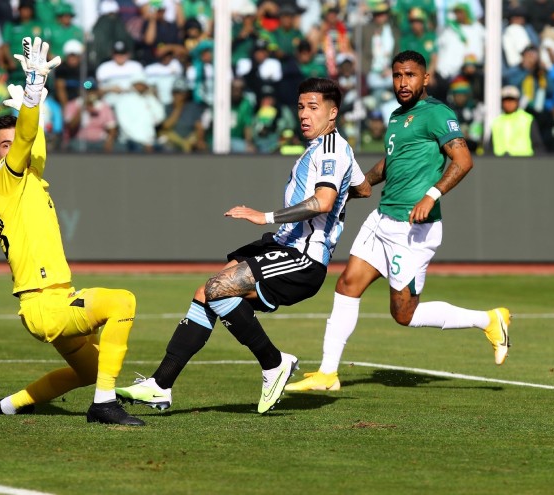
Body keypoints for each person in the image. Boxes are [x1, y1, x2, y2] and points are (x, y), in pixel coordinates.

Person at [115, 77, 371, 414]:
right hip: (282, 245)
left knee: (219, 287)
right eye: (300, 107)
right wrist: (345, 194)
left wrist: (265, 216)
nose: (304, 115)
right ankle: (160, 385)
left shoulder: (331, 150)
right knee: (206, 292)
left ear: (333, 112)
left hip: (303, 257)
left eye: (313, 107)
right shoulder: (333, 149)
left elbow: (323, 201)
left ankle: (273, 362)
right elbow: (364, 188)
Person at [285, 51, 511, 393]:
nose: (402, 82)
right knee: (347, 285)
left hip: (414, 228)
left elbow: (463, 160)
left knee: (404, 314)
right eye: (397, 76)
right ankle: (328, 373)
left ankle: (489, 320)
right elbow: (390, 164)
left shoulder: (437, 113)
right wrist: (359, 185)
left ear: (425, 78)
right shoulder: (396, 116)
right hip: (383, 218)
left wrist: (431, 195)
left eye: (409, 75)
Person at [0, 37, 143, 426]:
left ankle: (6, 406)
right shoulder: (5, 180)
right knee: (122, 302)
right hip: (44, 304)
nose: (10, 149)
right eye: (1, 145)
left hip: (54, 298)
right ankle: (104, 404)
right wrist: (33, 92)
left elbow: (33, 141)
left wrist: (29, 111)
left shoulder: (31, 177)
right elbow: (24, 139)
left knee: (88, 370)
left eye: (11, 143)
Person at [489, 85, 543, 157]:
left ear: (517, 101)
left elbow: (538, 146)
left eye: (512, 100)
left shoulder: (527, 119)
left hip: (524, 163)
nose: (509, 103)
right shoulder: (496, 122)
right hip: (499, 163)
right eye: (506, 100)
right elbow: (489, 147)